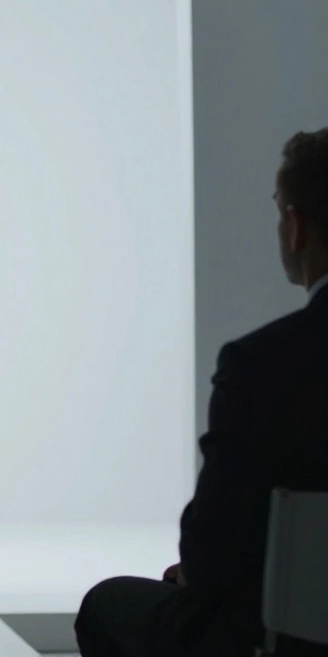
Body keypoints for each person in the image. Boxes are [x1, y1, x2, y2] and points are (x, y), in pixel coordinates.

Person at [74, 127, 328, 657]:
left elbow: (211, 554)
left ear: (296, 225)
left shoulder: (263, 365)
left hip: (275, 639)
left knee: (106, 605)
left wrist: (192, 573)